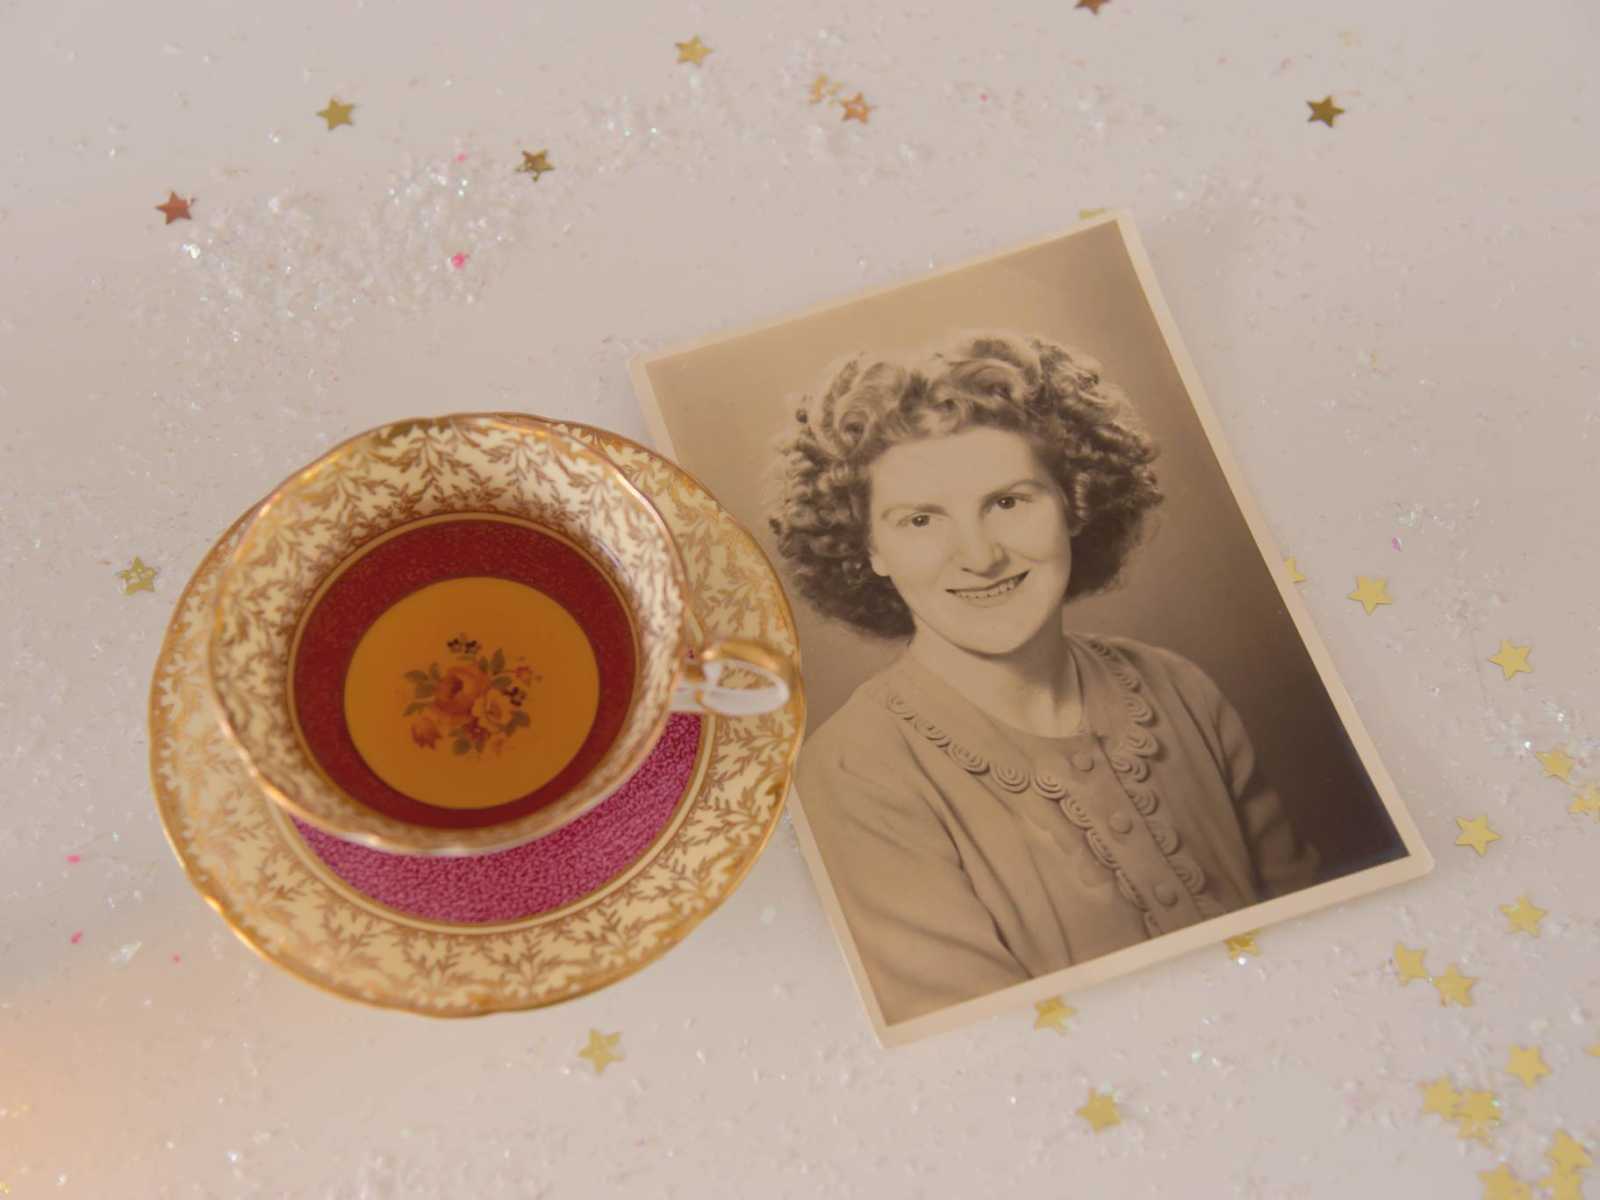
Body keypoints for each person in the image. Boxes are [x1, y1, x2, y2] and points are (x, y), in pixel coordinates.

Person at [770, 332, 1319, 1025]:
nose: (978, 555)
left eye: (1008, 502)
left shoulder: (1180, 689)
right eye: (919, 520)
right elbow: (1001, 1048)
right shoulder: (855, 776)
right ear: (870, 549)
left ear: (1074, 501)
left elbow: (1316, 942)